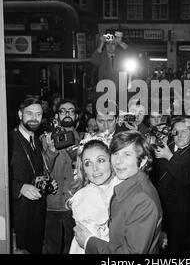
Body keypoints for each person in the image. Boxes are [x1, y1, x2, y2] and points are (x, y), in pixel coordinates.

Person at [74, 130, 163, 254]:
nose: (118, 161)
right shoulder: (126, 184)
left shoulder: (141, 198)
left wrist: (89, 242)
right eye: (115, 153)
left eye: (127, 154)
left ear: (142, 161)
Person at [9, 96, 58, 254]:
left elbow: (37, 173)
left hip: (37, 213)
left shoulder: (36, 140)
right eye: (29, 113)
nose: (34, 118)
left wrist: (48, 184)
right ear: (19, 114)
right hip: (16, 215)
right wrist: (20, 187)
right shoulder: (8, 140)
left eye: (38, 114)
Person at [153, 116, 190, 253]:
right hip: (158, 208)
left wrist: (169, 157)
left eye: (184, 131)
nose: (179, 135)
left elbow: (187, 178)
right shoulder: (163, 147)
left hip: (178, 215)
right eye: (176, 131)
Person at [68, 137, 121, 254]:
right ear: (83, 169)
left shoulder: (122, 185)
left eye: (100, 160)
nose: (94, 168)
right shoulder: (86, 198)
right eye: (88, 163)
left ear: (111, 160)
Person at [42, 99, 81, 254]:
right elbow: (42, 171)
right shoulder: (46, 139)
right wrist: (51, 150)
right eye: (63, 111)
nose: (67, 114)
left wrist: (76, 155)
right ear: (57, 116)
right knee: (51, 250)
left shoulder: (85, 140)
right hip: (52, 206)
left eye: (71, 111)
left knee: (73, 250)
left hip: (75, 206)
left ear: (77, 116)